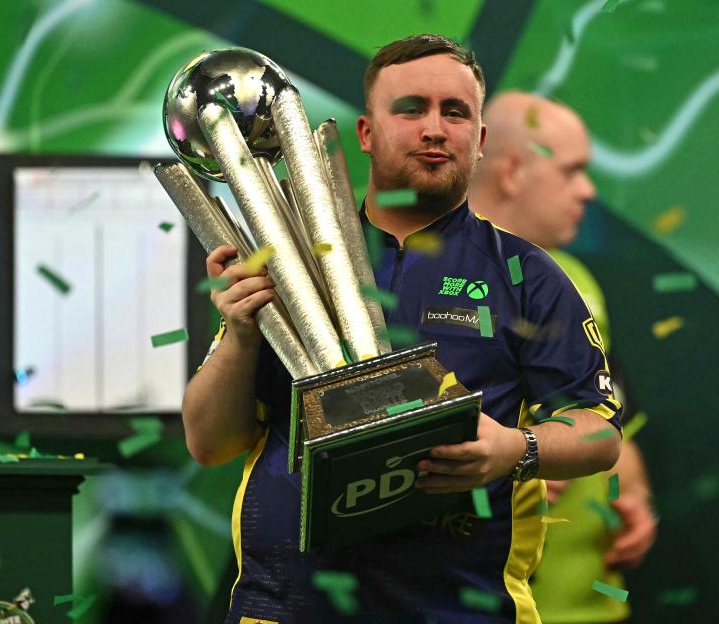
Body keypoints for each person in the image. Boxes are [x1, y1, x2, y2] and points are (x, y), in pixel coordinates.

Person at [183, 34, 623, 624]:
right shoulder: (286, 258)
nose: (434, 128)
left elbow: (601, 433)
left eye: (455, 111)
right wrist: (238, 333)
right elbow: (210, 442)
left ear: (481, 141)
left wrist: (516, 448)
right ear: (366, 133)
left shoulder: (526, 275)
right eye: (411, 108)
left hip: (460, 611)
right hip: (285, 609)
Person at [468, 92, 657, 624]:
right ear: (512, 172)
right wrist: (514, 461)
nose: (588, 190)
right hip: (482, 603)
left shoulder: (581, 284)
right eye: (573, 171)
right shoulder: (424, 284)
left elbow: (618, 432)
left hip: (593, 608)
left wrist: (635, 501)